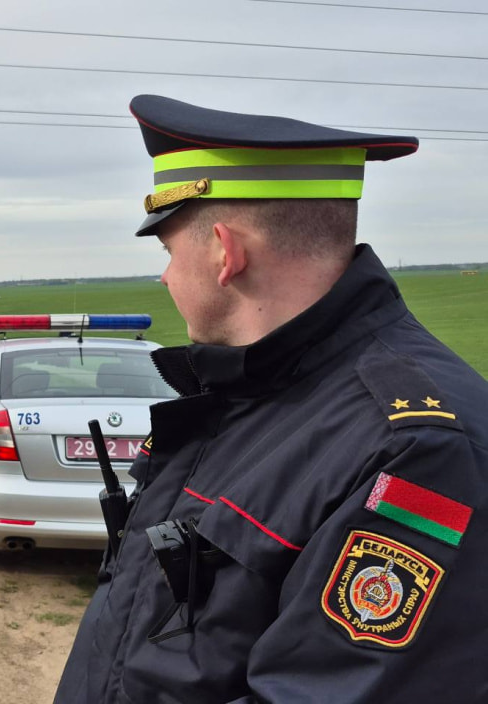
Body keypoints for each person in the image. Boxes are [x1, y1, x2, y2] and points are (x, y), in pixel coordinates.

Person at [54, 95, 488, 703]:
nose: (166, 278)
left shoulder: (414, 448)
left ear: (224, 253)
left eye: (169, 252)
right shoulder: (253, 394)